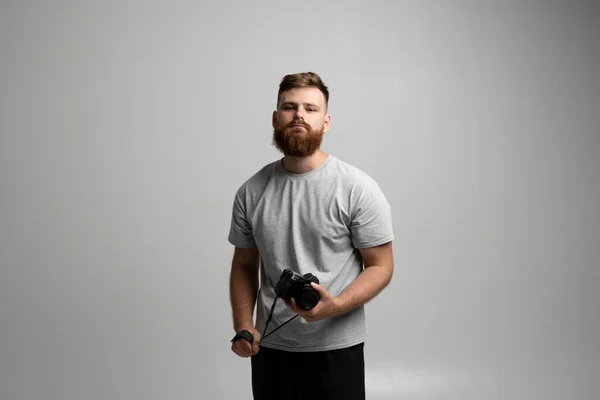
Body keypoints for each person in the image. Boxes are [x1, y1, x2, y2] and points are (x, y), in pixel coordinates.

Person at [228, 72, 395, 400]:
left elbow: (381, 266)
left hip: (336, 347)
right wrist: (243, 326)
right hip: (271, 347)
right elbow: (244, 266)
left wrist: (335, 306)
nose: (299, 115)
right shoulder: (251, 192)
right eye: (289, 107)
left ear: (326, 121)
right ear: (276, 118)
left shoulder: (356, 188)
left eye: (310, 108)